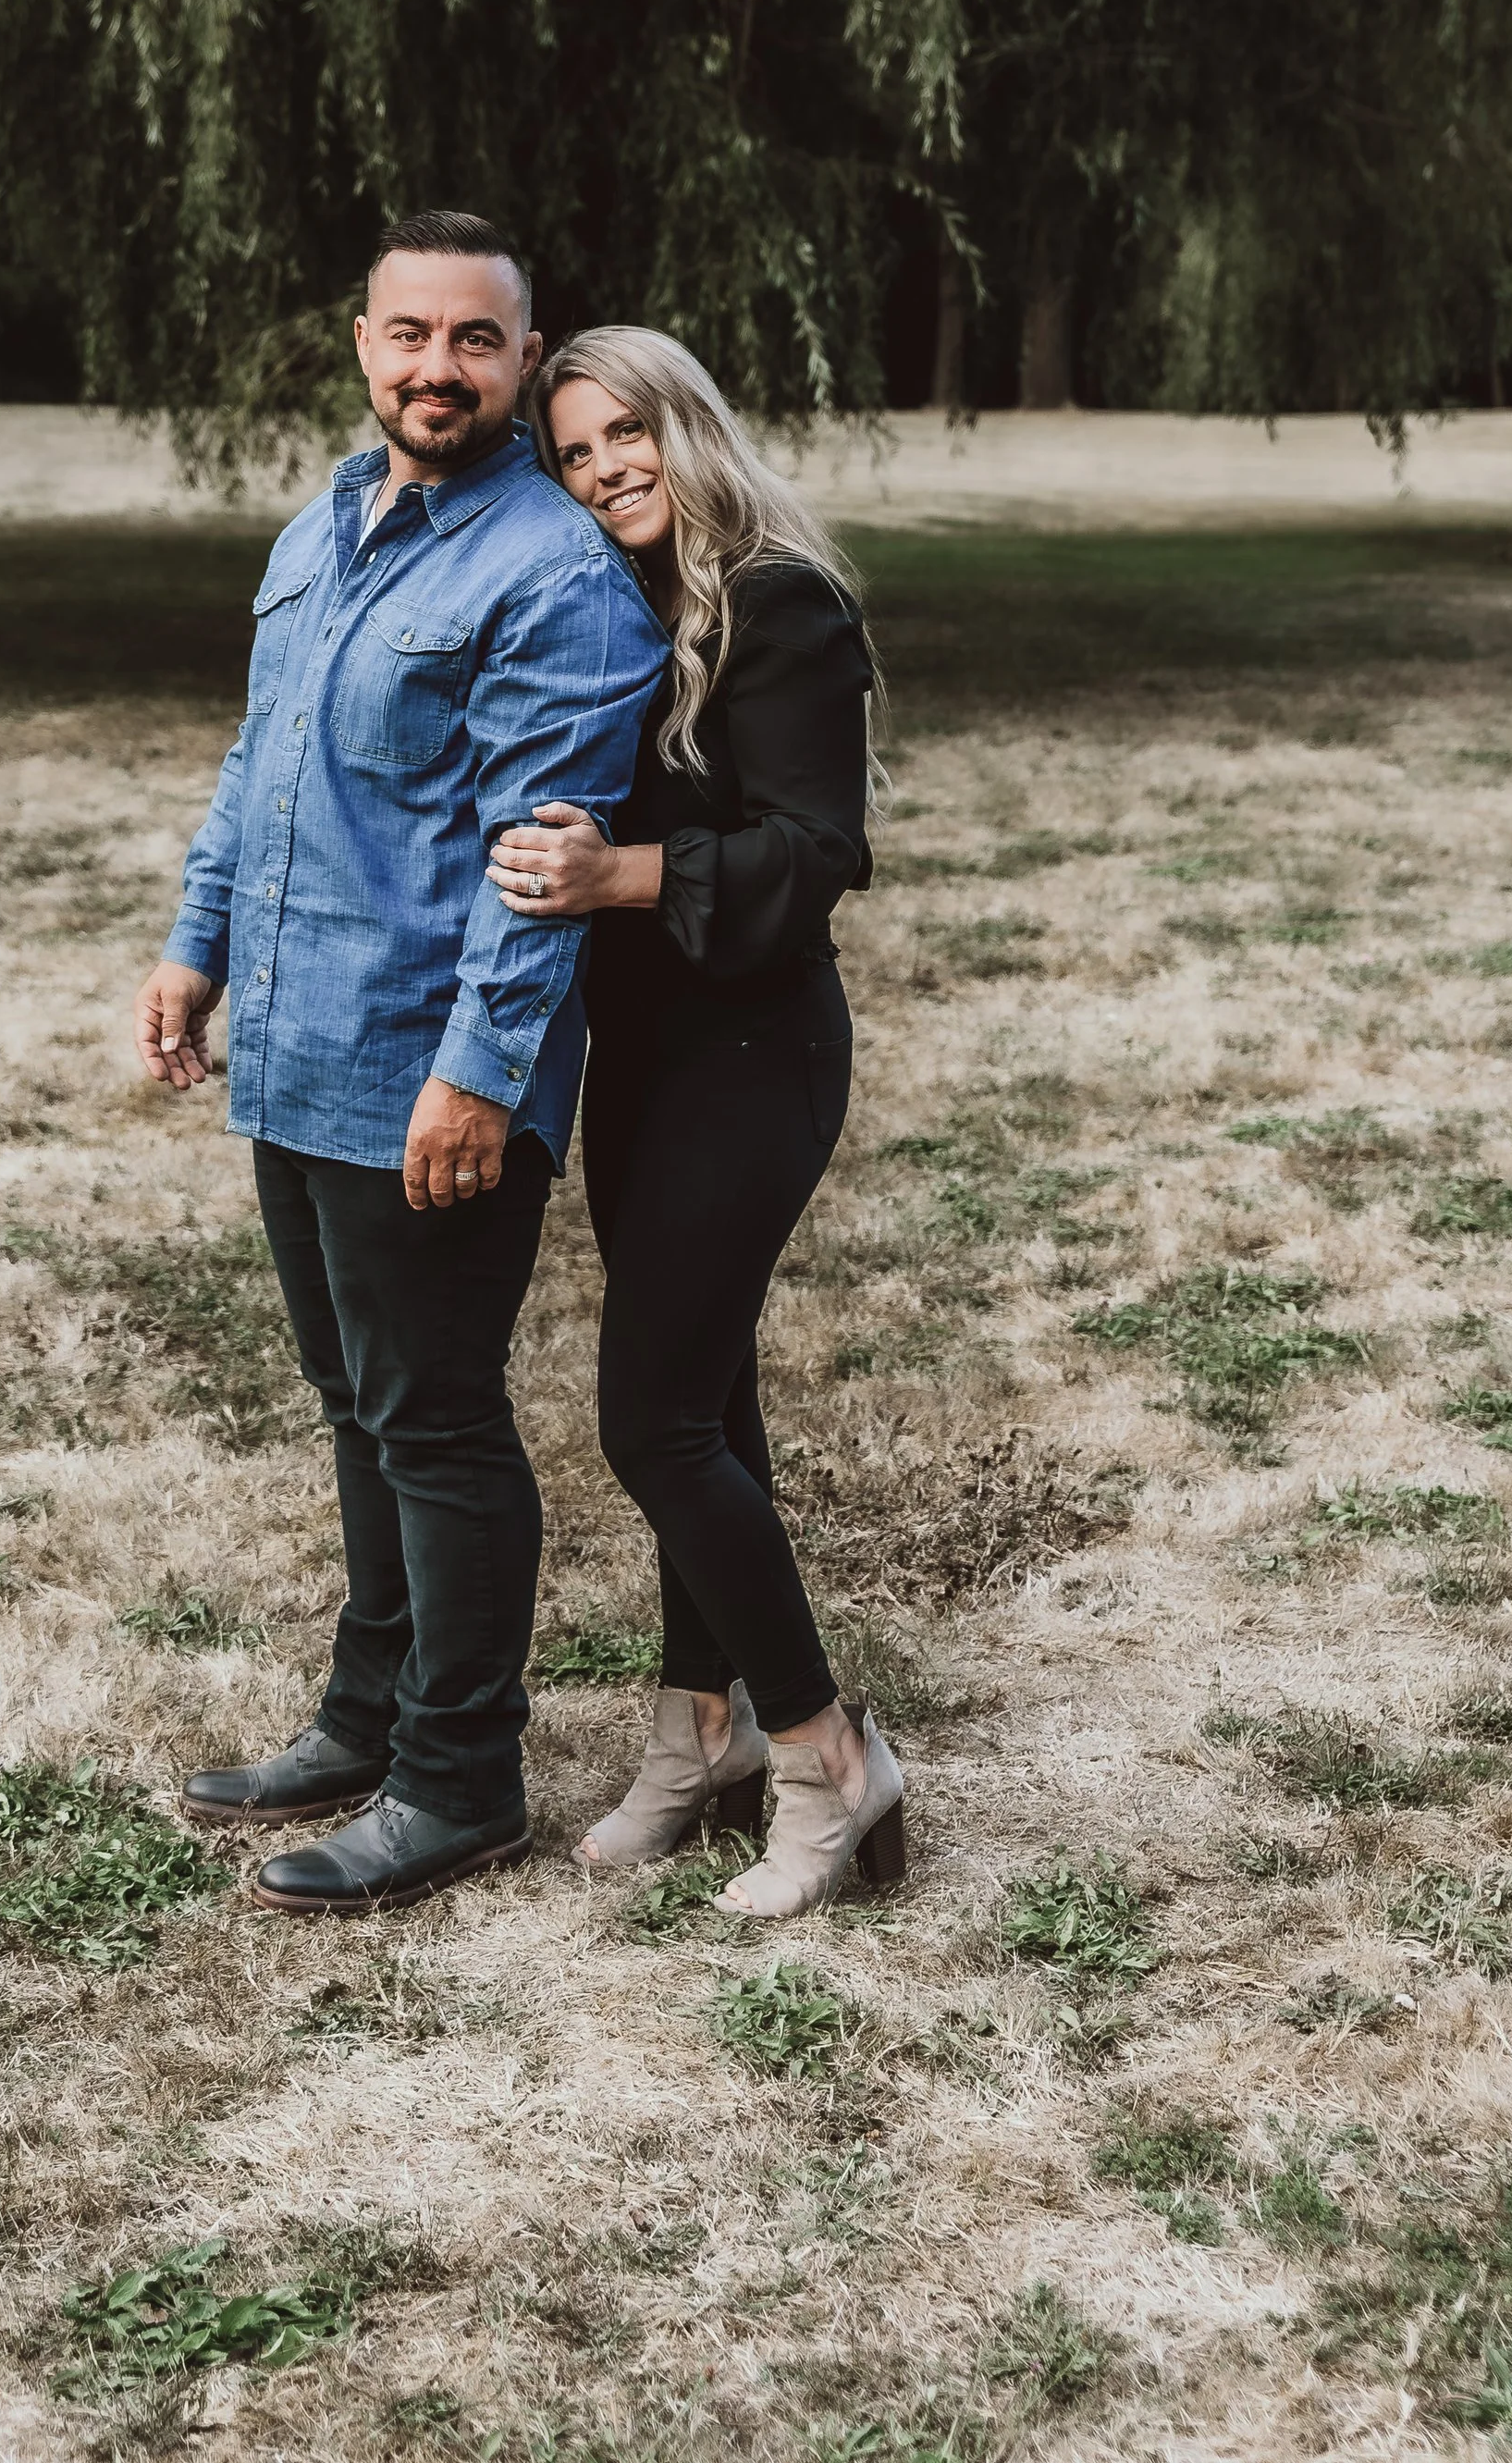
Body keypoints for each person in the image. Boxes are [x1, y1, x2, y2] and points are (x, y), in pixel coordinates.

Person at [132, 219, 671, 1916]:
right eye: (409, 335)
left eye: (478, 343)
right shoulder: (326, 523)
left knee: (434, 1417)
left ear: (523, 362)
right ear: (363, 344)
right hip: (292, 1046)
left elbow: (541, 860)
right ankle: (365, 1718)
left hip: (421, 1071)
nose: (438, 368)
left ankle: (458, 1777)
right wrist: (195, 940)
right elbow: (261, 759)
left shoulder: (554, 577)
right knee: (354, 1403)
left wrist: (480, 1077)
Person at [490, 326, 904, 1920]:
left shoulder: (783, 604)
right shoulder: (623, 605)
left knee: (650, 1424)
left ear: (688, 425)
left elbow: (817, 849)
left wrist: (619, 874)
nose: (603, 472)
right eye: (573, 453)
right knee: (710, 1407)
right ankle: (698, 1735)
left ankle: (825, 1761)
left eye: (624, 436)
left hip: (756, 1054)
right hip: (644, 1057)